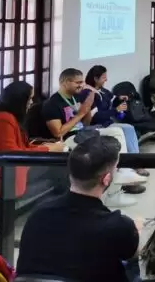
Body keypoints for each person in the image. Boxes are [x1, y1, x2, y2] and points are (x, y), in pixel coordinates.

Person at [16, 136, 142, 282]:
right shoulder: (117, 225)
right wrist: (135, 231)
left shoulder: (38, 214)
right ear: (106, 179)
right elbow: (136, 252)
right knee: (139, 266)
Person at [43, 68, 146, 206]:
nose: (82, 85)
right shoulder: (52, 103)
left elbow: (85, 123)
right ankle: (113, 193)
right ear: (65, 82)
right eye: (78, 82)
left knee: (117, 132)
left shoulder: (75, 98)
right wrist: (81, 113)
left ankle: (123, 172)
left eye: (82, 82)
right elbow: (58, 132)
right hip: (68, 139)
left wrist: (87, 110)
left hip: (84, 132)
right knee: (112, 136)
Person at [0, 81, 65, 201]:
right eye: (29, 99)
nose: (31, 102)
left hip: (9, 170)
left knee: (57, 172)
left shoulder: (9, 116)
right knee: (60, 166)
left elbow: (20, 146)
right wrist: (49, 149)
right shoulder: (3, 119)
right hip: (1, 175)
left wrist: (47, 147)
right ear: (19, 100)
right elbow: (14, 153)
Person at [80, 65, 148, 178]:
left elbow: (112, 98)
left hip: (107, 123)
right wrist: (116, 110)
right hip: (96, 126)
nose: (106, 79)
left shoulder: (102, 91)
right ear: (95, 79)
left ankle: (134, 161)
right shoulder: (88, 93)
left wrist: (120, 98)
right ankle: (126, 167)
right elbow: (95, 117)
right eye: (103, 77)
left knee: (129, 128)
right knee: (122, 130)